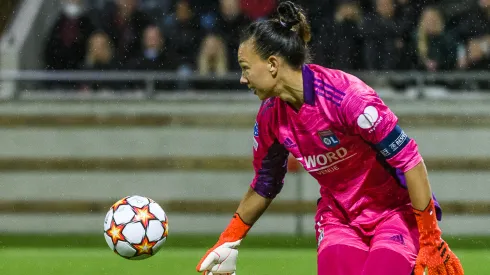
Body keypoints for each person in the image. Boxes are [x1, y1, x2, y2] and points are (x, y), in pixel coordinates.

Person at [195, 2, 465, 275]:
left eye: (245, 68)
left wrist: (430, 238)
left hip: (394, 213)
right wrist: (228, 239)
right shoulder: (269, 118)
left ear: (273, 64)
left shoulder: (347, 97)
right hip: (339, 218)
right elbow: (266, 183)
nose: (242, 79)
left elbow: (410, 162)